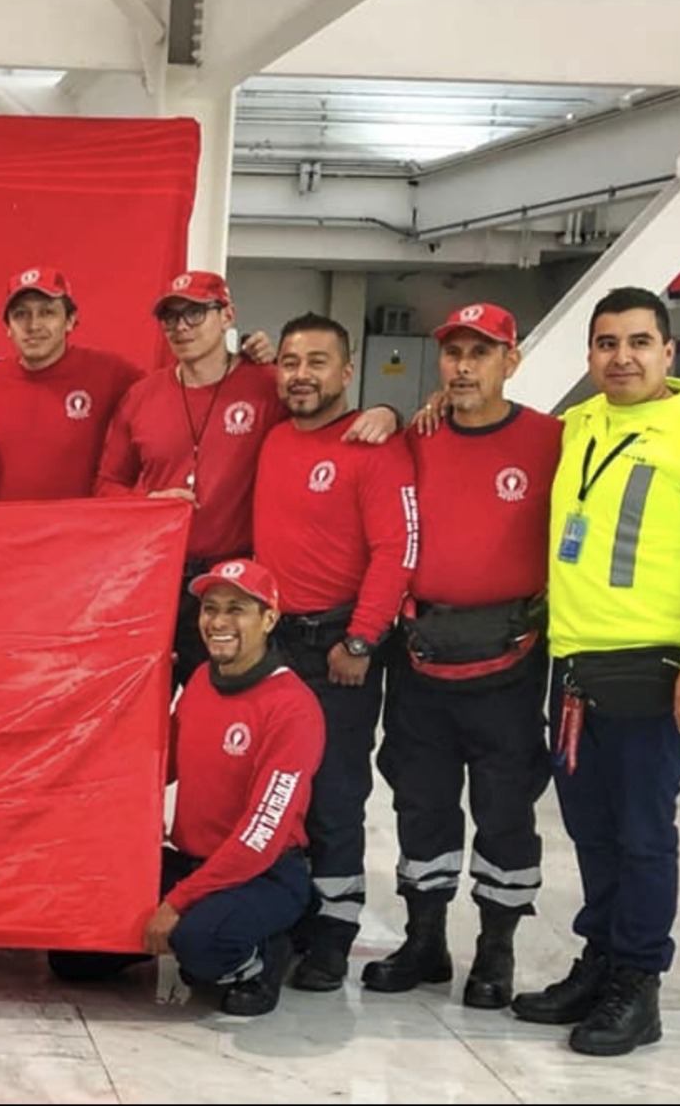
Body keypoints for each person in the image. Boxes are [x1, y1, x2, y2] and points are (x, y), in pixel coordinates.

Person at [511, 286, 680, 1056]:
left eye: (639, 341)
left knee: (642, 834)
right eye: (606, 343)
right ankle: (600, 958)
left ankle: (638, 981)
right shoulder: (579, 426)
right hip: (574, 665)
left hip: (656, 667)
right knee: (591, 830)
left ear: (669, 351)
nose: (622, 356)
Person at [364, 303, 561, 1009]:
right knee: (420, 803)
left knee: (506, 807)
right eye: (454, 353)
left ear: (511, 361)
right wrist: (388, 409)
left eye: (482, 352)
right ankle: (425, 941)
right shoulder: (415, 436)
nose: (464, 366)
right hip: (419, 657)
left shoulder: (552, 439)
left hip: (508, 662)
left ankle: (497, 950)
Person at [96, 272, 398, 692]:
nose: (182, 327)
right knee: (146, 710)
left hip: (235, 583)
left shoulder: (266, 384)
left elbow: (323, 406)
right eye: (171, 317)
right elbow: (106, 486)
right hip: (156, 579)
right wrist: (147, 501)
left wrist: (388, 411)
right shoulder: (141, 397)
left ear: (228, 317)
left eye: (196, 313)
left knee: (229, 711)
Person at [47, 559, 324, 1016]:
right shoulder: (200, 681)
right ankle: (199, 926)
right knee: (73, 957)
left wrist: (176, 903)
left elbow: (261, 836)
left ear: (269, 619)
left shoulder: (292, 708)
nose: (218, 622)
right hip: (193, 864)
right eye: (210, 608)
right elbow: (161, 766)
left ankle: (265, 954)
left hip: (264, 874)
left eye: (236, 609)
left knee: (200, 946)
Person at [251, 312, 418, 993]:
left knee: (334, 796)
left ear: (347, 372)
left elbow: (396, 551)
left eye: (318, 361)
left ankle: (333, 930)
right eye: (290, 361)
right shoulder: (272, 440)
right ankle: (288, 915)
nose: (301, 374)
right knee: (276, 790)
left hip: (339, 648)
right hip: (274, 644)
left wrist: (362, 638)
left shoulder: (374, 448)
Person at [0, 267, 142, 501]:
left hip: (76, 531)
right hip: (5, 530)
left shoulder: (108, 372)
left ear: (70, 321)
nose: (33, 325)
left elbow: (162, 405)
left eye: (47, 313)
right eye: (21, 314)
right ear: (7, 328)